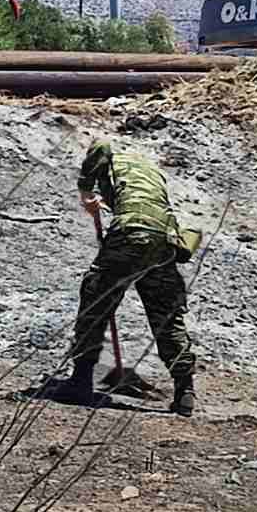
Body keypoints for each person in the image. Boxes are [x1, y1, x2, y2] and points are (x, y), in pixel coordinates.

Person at [55, 139, 197, 416]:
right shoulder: (150, 171)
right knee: (166, 317)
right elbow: (139, 202)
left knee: (96, 300)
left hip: (131, 234)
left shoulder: (111, 156)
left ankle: (81, 379)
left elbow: (101, 147)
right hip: (166, 240)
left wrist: (86, 192)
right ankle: (185, 390)